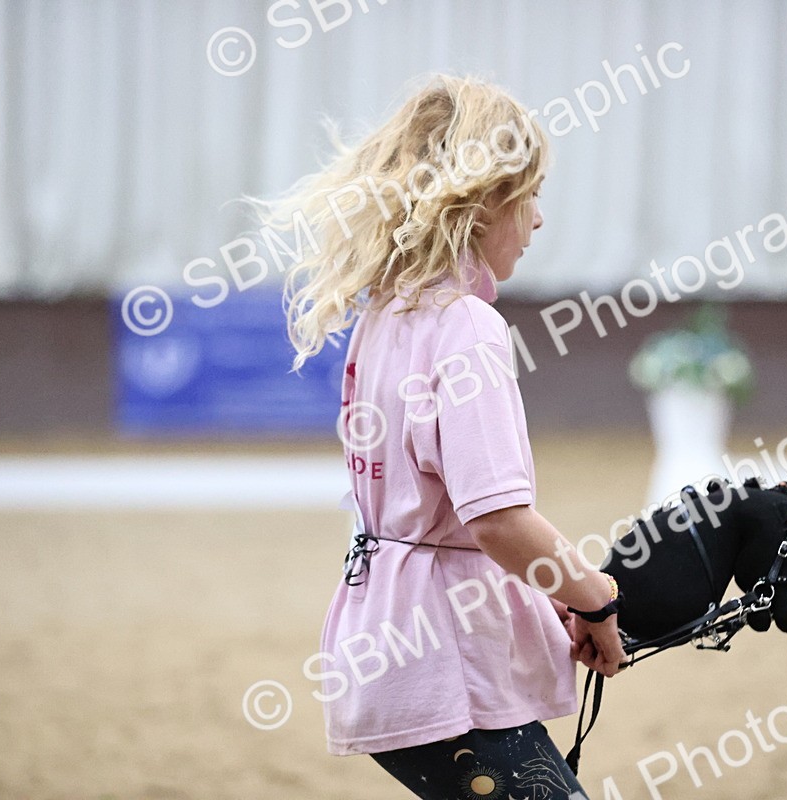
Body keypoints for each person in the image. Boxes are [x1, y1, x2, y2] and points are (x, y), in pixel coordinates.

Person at [256, 74, 625, 800]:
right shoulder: (466, 326)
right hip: (447, 671)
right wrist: (594, 597)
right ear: (483, 199)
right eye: (532, 193)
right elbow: (495, 517)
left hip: (383, 644)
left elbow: (439, 516)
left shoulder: (386, 314)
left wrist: (547, 590)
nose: (538, 220)